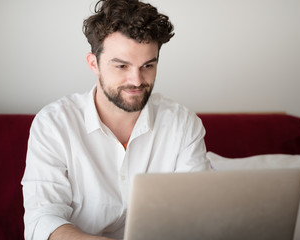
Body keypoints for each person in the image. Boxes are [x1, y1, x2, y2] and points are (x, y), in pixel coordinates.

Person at [21, 0, 210, 239]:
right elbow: (42, 219)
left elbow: (196, 213)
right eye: (122, 66)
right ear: (94, 64)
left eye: (148, 65)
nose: (137, 80)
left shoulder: (182, 124)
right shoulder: (53, 124)